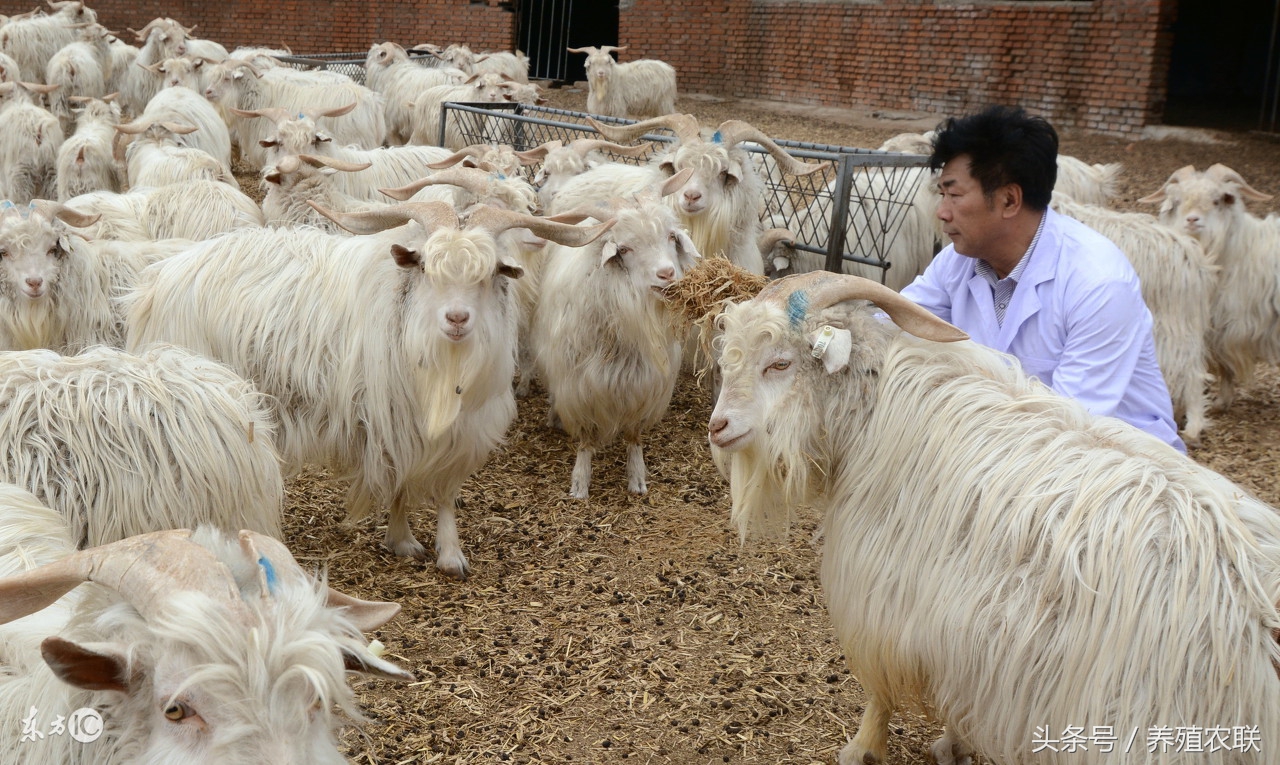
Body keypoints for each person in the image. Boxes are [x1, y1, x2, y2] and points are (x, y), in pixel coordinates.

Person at [899, 105, 1186, 453]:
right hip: (1001, 450)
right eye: (941, 195)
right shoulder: (957, 262)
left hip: (1117, 471)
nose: (942, 212)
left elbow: (1069, 427)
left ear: (1008, 199)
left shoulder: (1098, 283)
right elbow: (895, 321)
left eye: (954, 195)